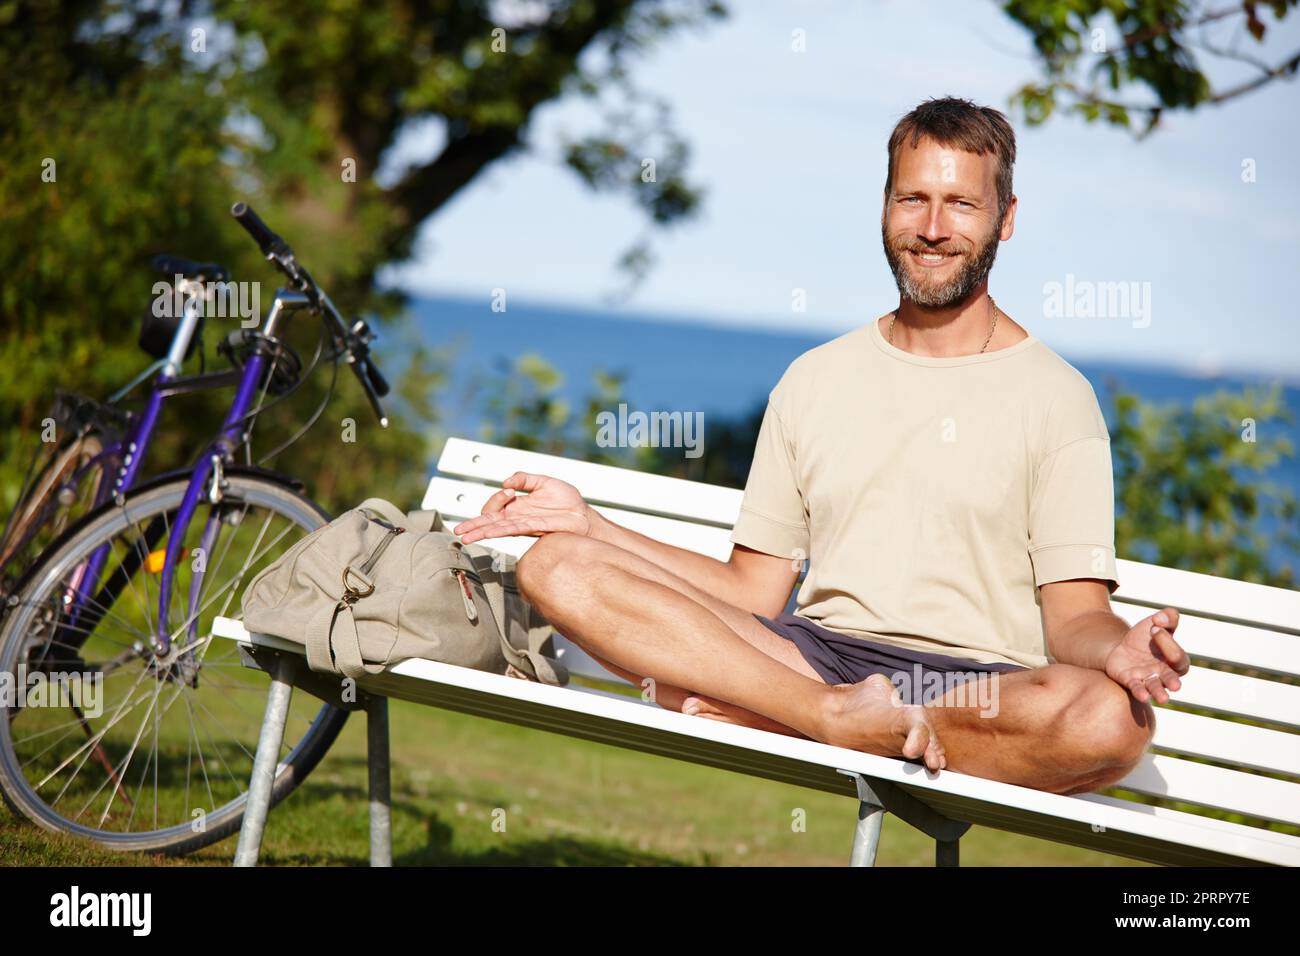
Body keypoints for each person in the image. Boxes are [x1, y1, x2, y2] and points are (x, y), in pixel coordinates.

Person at [452, 96, 1189, 795]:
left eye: (961, 203)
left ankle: (808, 725)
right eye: (912, 199)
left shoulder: (1058, 399)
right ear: (885, 207)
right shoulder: (815, 378)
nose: (933, 226)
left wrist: (1117, 648)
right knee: (559, 566)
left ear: (1006, 218)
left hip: (982, 688)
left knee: (1110, 721)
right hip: (813, 664)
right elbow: (752, 594)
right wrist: (591, 526)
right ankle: (825, 719)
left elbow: (1075, 620)